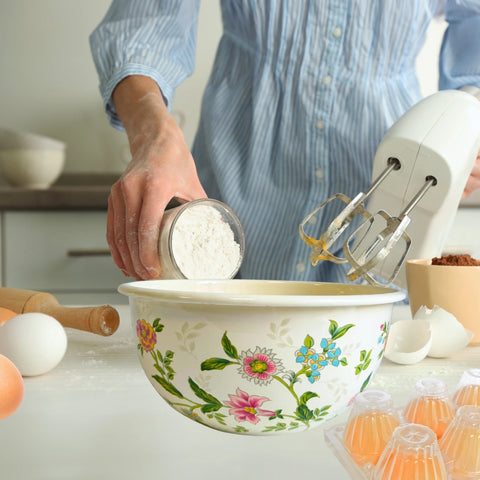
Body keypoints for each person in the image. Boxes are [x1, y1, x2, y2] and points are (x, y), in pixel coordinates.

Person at [90, 1, 480, 282]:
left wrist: (467, 124)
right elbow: (141, 27)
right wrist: (154, 137)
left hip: (388, 195)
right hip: (234, 177)